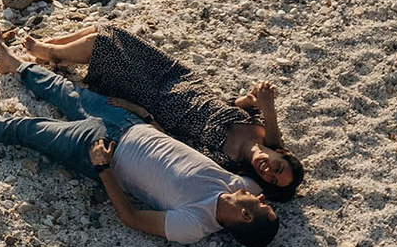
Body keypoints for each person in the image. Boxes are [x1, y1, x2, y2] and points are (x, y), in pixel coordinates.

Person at [0, 32, 279, 247]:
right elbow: (281, 163)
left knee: (26, 130)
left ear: (245, 215)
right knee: (65, 91)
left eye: (261, 203)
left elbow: (129, 217)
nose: (261, 194)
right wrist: (266, 110)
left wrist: (102, 167)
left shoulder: (192, 225)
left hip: (104, 150)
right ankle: (14, 64)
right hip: (133, 123)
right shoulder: (241, 184)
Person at [16, 24, 305, 201]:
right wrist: (253, 100)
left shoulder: (227, 165)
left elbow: (173, 144)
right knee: (113, 32)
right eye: (278, 168)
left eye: (270, 180)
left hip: (157, 102)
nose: (268, 171)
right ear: (282, 155)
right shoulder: (263, 130)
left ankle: (52, 53)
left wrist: (138, 110)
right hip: (182, 80)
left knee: (105, 46)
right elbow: (230, 106)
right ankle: (54, 46)